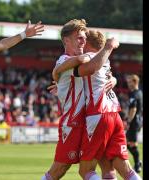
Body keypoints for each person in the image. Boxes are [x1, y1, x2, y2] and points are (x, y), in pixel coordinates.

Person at [51, 30, 142, 180]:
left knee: (86, 170)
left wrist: (57, 71)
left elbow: (88, 67)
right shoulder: (105, 60)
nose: (81, 42)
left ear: (87, 43)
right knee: (120, 167)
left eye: (83, 40)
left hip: (98, 114)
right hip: (115, 115)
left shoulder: (91, 58)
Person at [41, 19, 119, 180]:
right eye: (79, 37)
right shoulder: (64, 60)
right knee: (60, 168)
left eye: (84, 37)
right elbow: (83, 61)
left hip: (87, 120)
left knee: (101, 164)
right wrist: (57, 71)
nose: (83, 41)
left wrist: (113, 79)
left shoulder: (76, 61)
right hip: (72, 122)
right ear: (66, 40)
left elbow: (96, 72)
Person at [126, 74, 143, 173]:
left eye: (129, 82)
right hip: (138, 121)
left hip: (134, 122)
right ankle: (138, 163)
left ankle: (137, 163)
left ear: (134, 82)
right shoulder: (140, 93)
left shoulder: (134, 94)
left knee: (128, 143)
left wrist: (128, 121)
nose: (128, 84)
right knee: (130, 143)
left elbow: (133, 108)